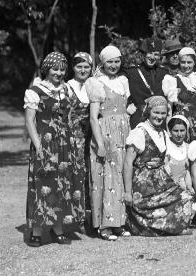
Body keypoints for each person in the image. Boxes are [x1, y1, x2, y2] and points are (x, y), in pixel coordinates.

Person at [24, 52, 84, 246]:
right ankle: (37, 230)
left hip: (65, 144)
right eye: (55, 69)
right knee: (43, 184)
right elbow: (29, 121)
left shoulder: (66, 89)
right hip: (45, 143)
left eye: (62, 69)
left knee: (63, 185)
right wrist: (39, 146)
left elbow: (72, 116)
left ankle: (58, 228)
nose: (59, 73)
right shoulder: (35, 90)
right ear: (46, 69)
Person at [123, 98, 196, 236]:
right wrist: (127, 192)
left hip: (161, 180)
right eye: (156, 112)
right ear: (148, 112)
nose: (160, 116)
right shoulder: (139, 132)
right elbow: (128, 163)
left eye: (163, 113)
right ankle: (148, 226)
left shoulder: (162, 133)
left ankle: (171, 226)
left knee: (185, 196)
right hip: (143, 183)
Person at [86, 45, 131, 241]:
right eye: (109, 62)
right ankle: (104, 225)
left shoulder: (123, 80)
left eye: (116, 61)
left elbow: (125, 106)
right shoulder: (96, 83)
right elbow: (93, 118)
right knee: (106, 178)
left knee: (121, 175)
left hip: (123, 132)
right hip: (106, 133)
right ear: (103, 63)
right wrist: (100, 143)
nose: (113, 65)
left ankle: (119, 222)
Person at [66, 51, 93, 231]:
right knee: (76, 176)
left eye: (86, 67)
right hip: (74, 138)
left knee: (92, 175)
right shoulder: (67, 87)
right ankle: (77, 218)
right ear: (73, 68)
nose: (83, 70)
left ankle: (93, 217)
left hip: (92, 137)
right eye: (79, 66)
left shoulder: (94, 85)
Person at [162, 47, 196, 142]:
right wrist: (169, 129)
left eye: (189, 62)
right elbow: (169, 108)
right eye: (183, 62)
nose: (186, 65)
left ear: (194, 63)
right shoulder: (173, 80)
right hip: (181, 124)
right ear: (179, 62)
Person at [125, 38, 168, 128]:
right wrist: (127, 105)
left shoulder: (164, 72)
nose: (152, 57)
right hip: (139, 118)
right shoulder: (131, 72)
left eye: (156, 54)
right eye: (150, 53)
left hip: (159, 119)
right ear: (144, 54)